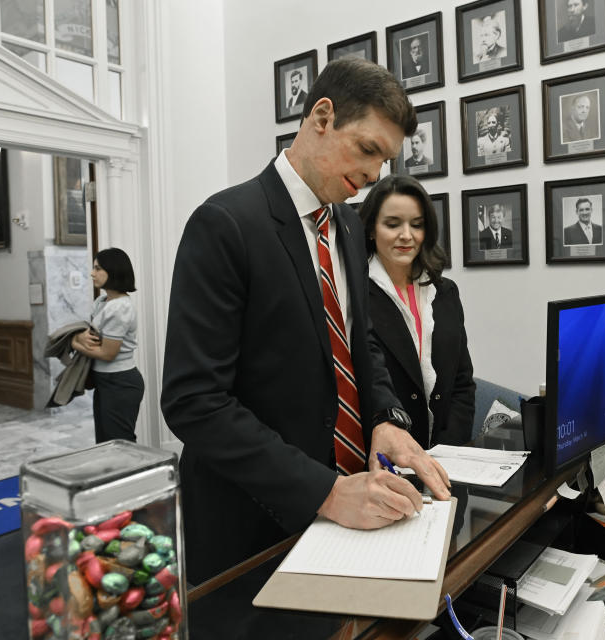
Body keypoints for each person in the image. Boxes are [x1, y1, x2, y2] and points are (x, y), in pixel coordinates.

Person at [161, 57, 453, 585]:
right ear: (322, 117)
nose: (373, 176)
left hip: (341, 521)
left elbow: (356, 336)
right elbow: (194, 402)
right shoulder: (225, 224)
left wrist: (385, 415)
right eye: (367, 150)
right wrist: (323, 490)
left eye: (384, 161)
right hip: (248, 529)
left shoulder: (344, 222)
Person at [360, 175, 475, 448]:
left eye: (417, 225)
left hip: (446, 457)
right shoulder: (355, 294)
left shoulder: (446, 291)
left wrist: (447, 453)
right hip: (383, 458)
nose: (406, 235)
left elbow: (462, 384)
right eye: (392, 224)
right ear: (372, 229)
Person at [70, 248, 143, 443]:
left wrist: (74, 343)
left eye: (97, 268)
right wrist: (79, 338)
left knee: (119, 443)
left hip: (120, 382)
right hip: (106, 381)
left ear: (114, 271)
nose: (92, 273)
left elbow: (107, 353)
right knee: (105, 443)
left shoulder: (120, 307)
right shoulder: (102, 302)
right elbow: (89, 336)